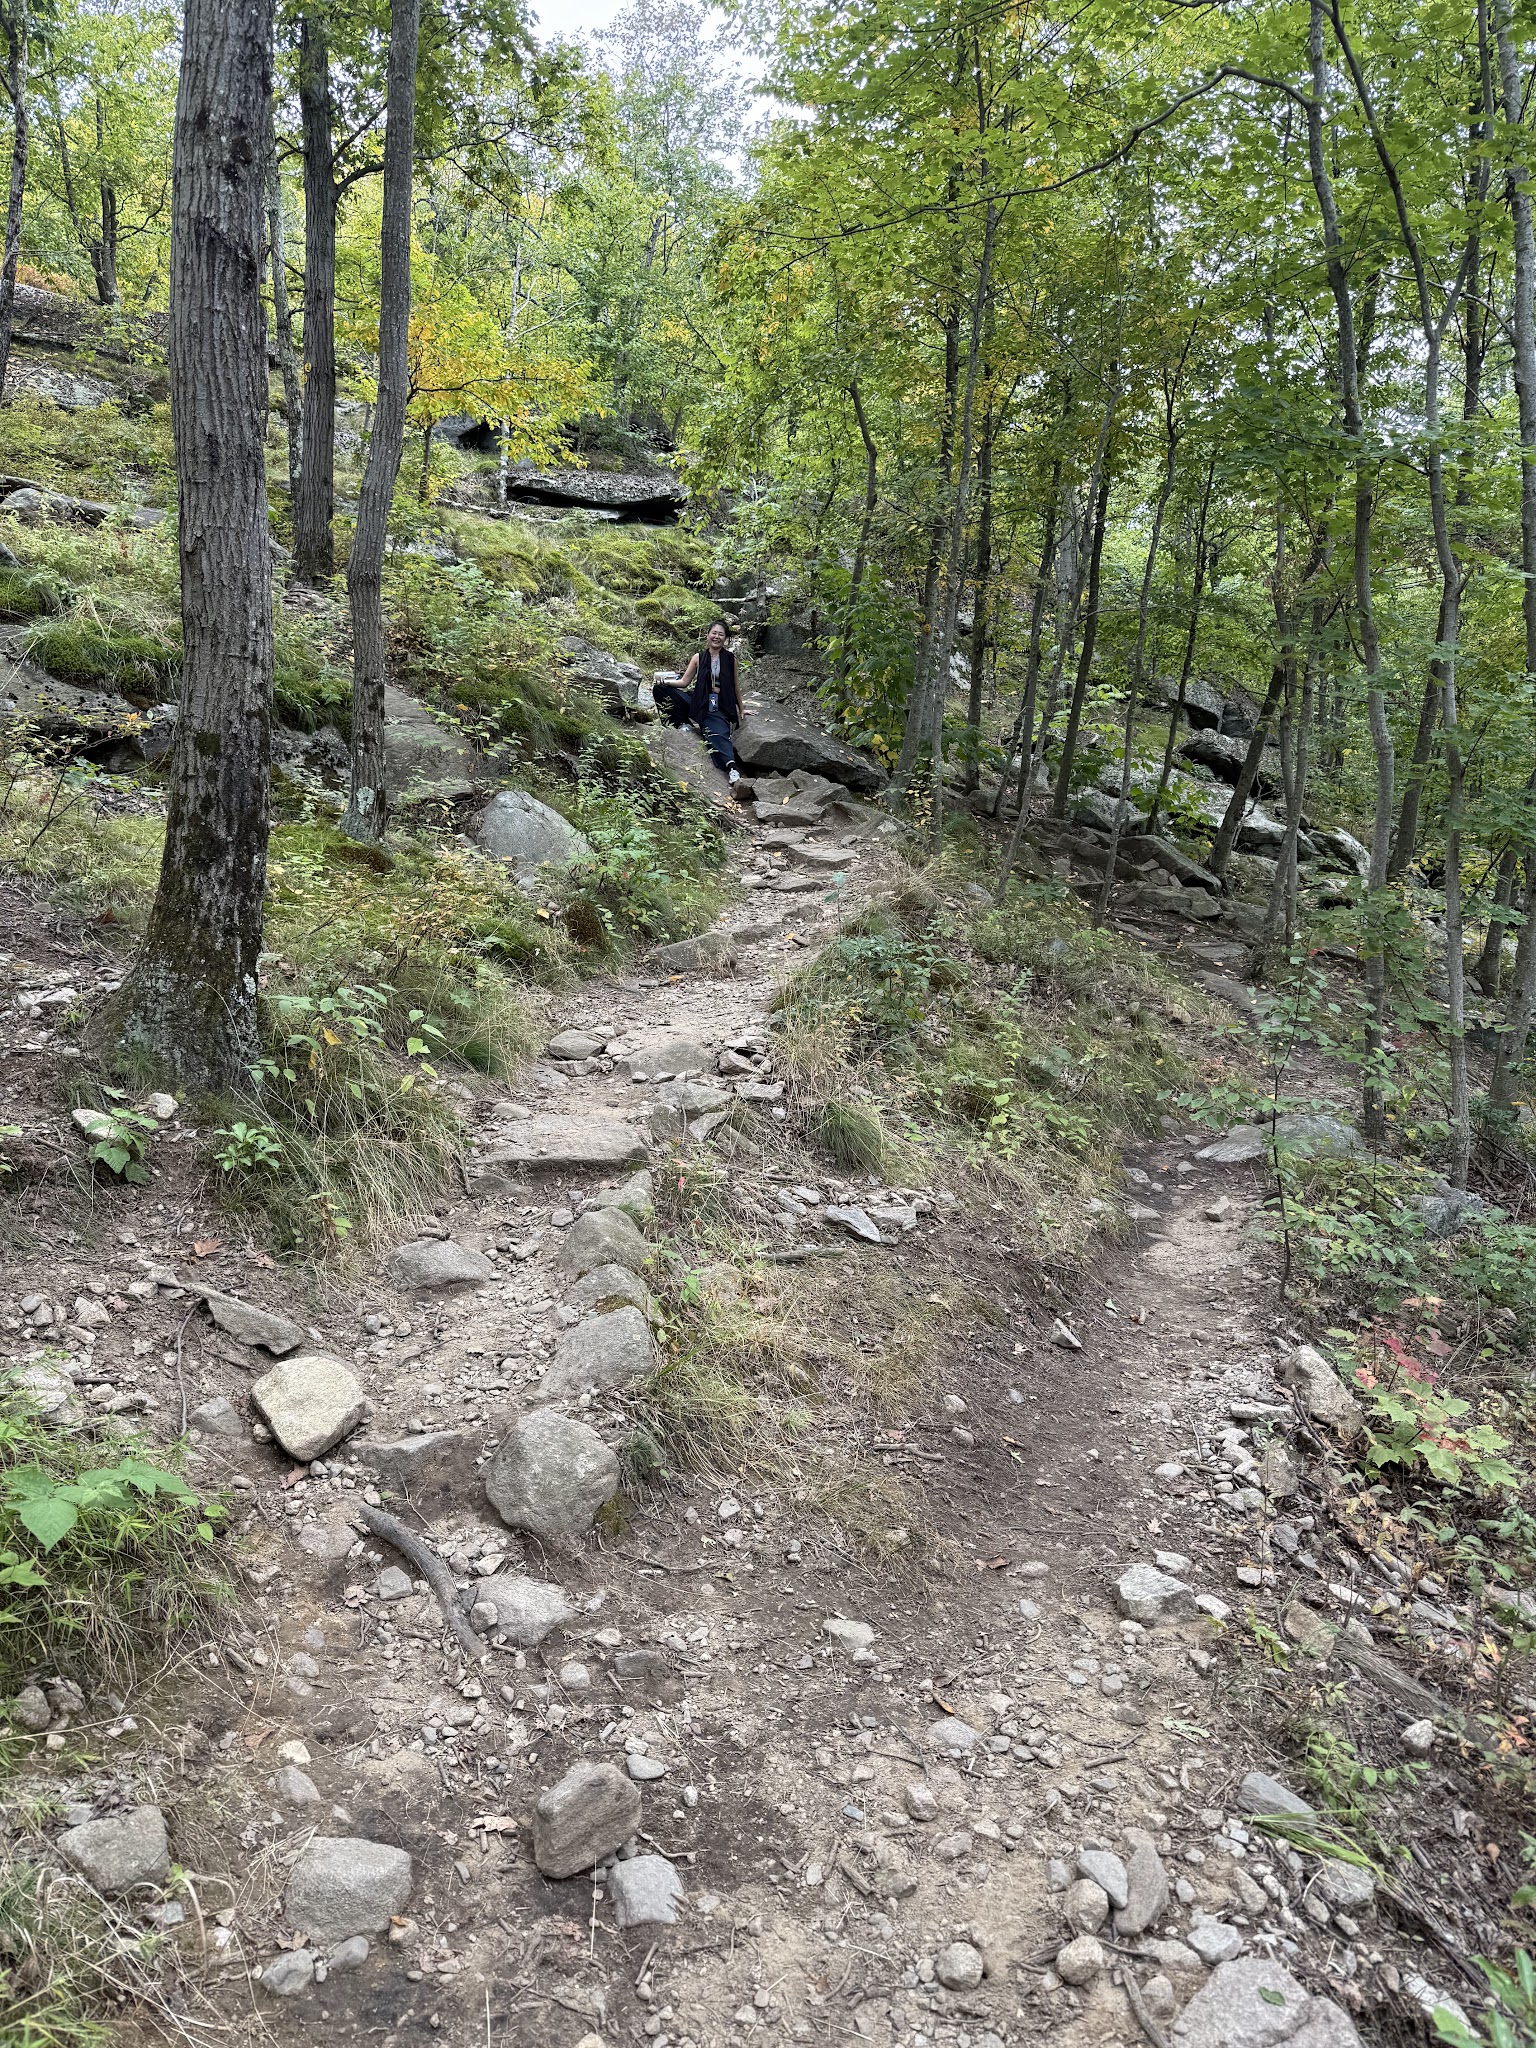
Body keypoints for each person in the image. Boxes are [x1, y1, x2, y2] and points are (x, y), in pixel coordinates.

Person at [654, 621, 745, 786]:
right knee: (660, 690)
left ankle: (731, 768)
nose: (716, 637)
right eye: (714, 633)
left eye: (721, 634)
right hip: (698, 700)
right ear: (707, 635)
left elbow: (735, 686)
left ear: (725, 638)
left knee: (717, 733)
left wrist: (741, 709)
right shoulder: (698, 657)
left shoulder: (730, 659)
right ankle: (681, 724)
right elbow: (684, 682)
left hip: (717, 705)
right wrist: (664, 682)